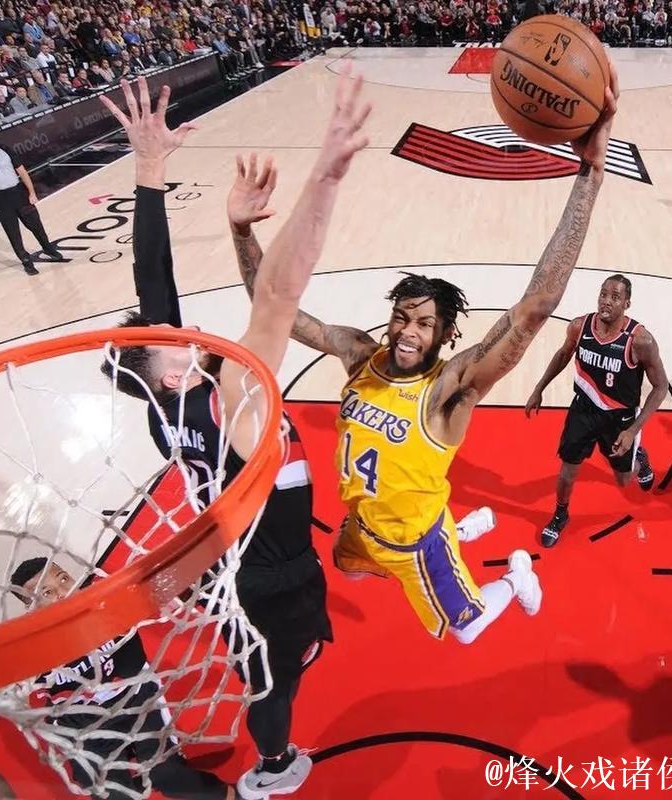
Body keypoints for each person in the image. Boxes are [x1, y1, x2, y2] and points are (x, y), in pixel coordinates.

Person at [236, 63, 621, 646]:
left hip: (415, 542)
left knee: (465, 631)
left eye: (424, 325)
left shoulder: (450, 390)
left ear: (444, 337)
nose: (407, 333)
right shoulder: (359, 355)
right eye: (402, 317)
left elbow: (536, 306)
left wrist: (589, 173)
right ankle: (459, 529)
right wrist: (242, 231)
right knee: (345, 568)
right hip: (363, 527)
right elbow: (275, 306)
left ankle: (514, 579)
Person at [98, 71, 370, 799]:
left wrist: (149, 171)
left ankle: (265, 739)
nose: (187, 330)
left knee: (259, 675)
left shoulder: (165, 409)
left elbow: (154, 281)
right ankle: (274, 766)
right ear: (167, 372)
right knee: (278, 686)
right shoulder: (233, 398)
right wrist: (325, 177)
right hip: (276, 576)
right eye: (173, 340)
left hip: (230, 569)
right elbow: (278, 294)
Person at [9, 558, 241, 800]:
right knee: (110, 795)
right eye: (47, 593)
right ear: (30, 608)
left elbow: (161, 590)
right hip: (84, 725)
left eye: (64, 579)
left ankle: (232, 796)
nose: (63, 593)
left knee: (167, 774)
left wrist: (182, 580)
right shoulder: (30, 653)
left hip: (137, 700)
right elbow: (26, 699)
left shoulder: (106, 599)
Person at [525, 274, 668, 547]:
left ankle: (640, 458)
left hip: (620, 420)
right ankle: (560, 514)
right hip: (583, 411)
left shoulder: (641, 341)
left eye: (615, 297)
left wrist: (633, 430)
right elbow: (563, 354)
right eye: (603, 294)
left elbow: (660, 387)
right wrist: (539, 388)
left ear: (627, 303)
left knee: (624, 480)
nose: (607, 301)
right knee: (567, 470)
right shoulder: (580, 327)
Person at [0, 124, 65, 275]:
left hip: (18, 192)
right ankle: (26, 260)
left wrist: (31, 192)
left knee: (35, 224)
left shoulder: (4, 148)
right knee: (13, 232)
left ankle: (48, 248)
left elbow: (22, 171)